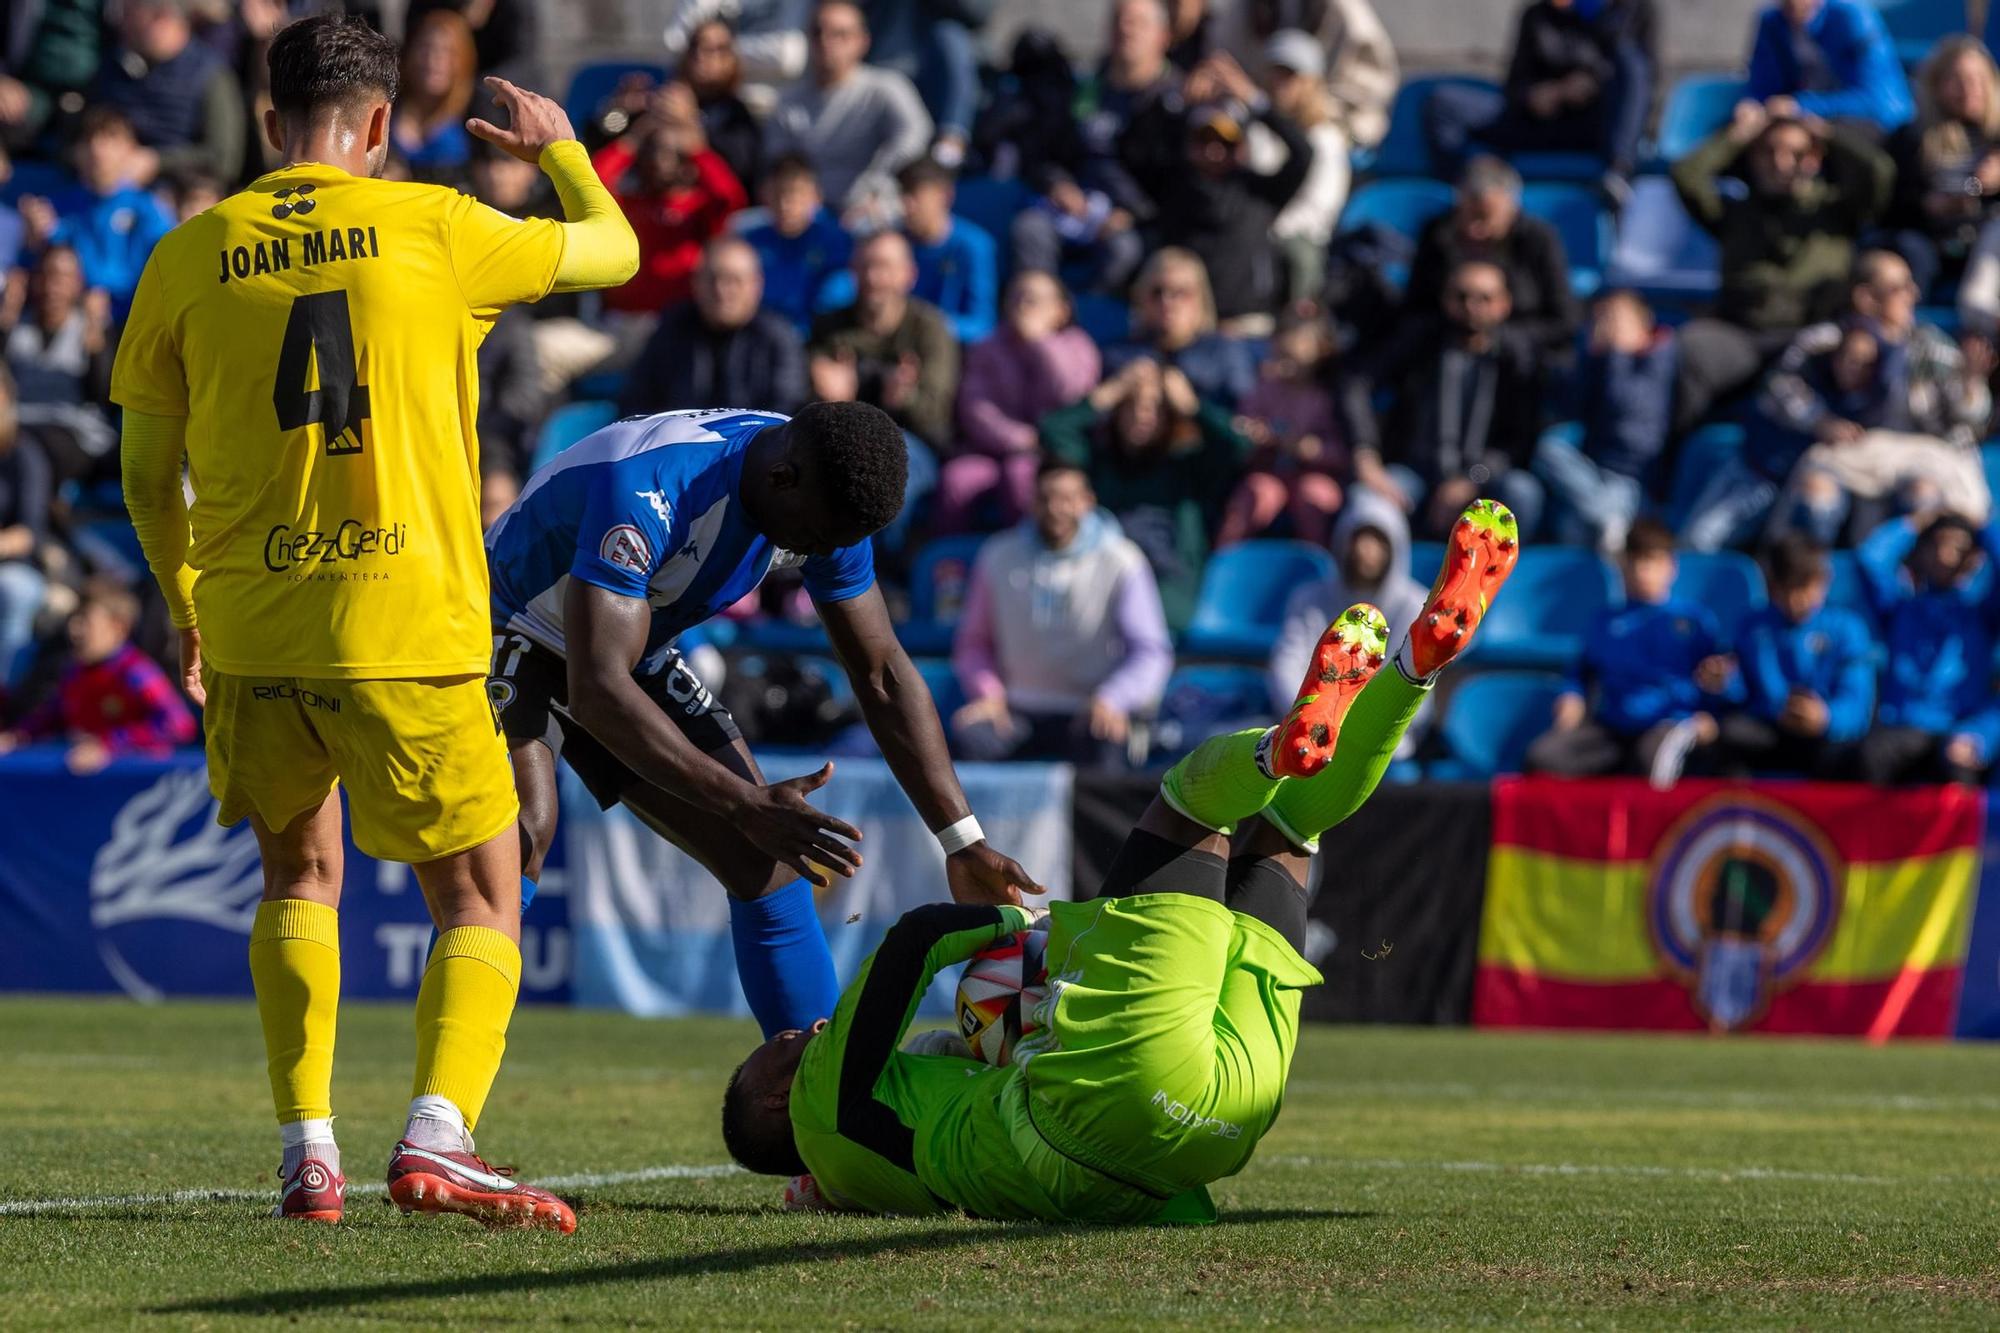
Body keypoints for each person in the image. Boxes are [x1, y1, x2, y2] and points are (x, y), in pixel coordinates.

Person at [110, 15, 639, 1230]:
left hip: (250, 626)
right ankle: (439, 1135)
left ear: (263, 121)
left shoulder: (187, 254)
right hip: (404, 622)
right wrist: (561, 152)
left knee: (297, 872)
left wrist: (184, 601)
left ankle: (307, 1150)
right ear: (383, 127)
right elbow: (613, 251)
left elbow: (147, 476)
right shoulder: (435, 225)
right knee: (480, 893)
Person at [720, 502, 1522, 1224]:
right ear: (777, 1093)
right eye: (784, 1042)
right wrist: (1019, 920)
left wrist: (818, 1180)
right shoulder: (821, 1098)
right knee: (1190, 802)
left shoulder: (857, 1171)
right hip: (1088, 1098)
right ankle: (1283, 742)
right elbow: (911, 940)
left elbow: (887, 1161)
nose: (807, 1027)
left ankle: (1416, 665)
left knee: (1287, 839)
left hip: (1215, 1133)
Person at [484, 402, 1044, 1034]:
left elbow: (882, 673)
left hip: (627, 642)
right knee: (521, 834)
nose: (824, 553)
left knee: (769, 866)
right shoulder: (652, 487)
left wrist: (962, 840)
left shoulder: (818, 486)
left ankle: (814, 1104)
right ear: (782, 481)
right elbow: (597, 693)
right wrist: (743, 805)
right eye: (817, 539)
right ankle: (439, 1114)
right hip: (514, 621)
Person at [1710, 251, 1992, 552]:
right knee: (1817, 493)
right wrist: (1819, 420)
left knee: (1924, 495)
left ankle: (1902, 589)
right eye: (1900, 288)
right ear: (1866, 297)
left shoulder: (1931, 347)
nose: (1913, 294)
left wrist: (1971, 385)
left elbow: (1969, 423)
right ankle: (1811, 579)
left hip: (1917, 461)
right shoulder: (1826, 341)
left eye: (1911, 285)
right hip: (1847, 459)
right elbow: (1777, 387)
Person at [1670, 102, 1895, 434]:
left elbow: (1879, 172)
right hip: (1743, 336)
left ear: (1814, 158)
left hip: (1811, 340)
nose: (1780, 163)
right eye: (1768, 152)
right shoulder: (1735, 212)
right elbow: (1686, 175)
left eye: (1795, 152)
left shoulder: (1836, 211)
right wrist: (1739, 134)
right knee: (1689, 350)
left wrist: (1824, 132)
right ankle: (1674, 466)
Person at [950, 459, 1173, 768]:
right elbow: (973, 643)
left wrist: (1114, 698)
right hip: (1016, 708)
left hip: (1088, 710)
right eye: (1046, 498)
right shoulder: (997, 555)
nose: (1056, 508)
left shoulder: (1123, 560)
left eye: (1067, 498)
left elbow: (1151, 652)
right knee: (970, 738)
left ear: (1087, 502)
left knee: (1107, 743)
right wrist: (987, 693)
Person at [1039, 356, 1251, 629]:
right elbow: (1053, 430)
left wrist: (1193, 407)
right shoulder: (1099, 463)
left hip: (1166, 586)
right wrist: (1109, 393)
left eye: (1155, 408)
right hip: (1102, 578)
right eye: (1131, 406)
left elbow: (1238, 446)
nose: (1141, 415)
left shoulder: (1189, 466)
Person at [1342, 259, 1546, 541]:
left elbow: (1519, 439)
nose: (1472, 307)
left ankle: (1504, 581)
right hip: (1416, 472)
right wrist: (1366, 455)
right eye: (1462, 296)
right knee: (1368, 504)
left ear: (1504, 304)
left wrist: (1472, 478)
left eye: (1485, 298)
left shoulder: (1518, 360)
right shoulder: (1421, 342)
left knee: (1522, 493)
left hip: (1486, 478)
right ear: (1446, 300)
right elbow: (1357, 382)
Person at [1524, 520, 1735, 785]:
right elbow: (1582, 670)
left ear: (1671, 567)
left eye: (1651, 562)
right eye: (1634, 562)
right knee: (1544, 758)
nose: (1641, 571)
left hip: (1668, 724)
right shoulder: (1605, 621)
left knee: (1654, 761)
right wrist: (1572, 696)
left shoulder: (1694, 621)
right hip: (1613, 728)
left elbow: (1717, 678)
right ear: (1622, 566)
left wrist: (1712, 714)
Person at [1008, 0, 1179, 296]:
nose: (1125, 29)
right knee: (1030, 229)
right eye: (1119, 20)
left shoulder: (1174, 102)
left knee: (1124, 249)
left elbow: (1179, 183)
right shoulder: (1084, 90)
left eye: (1137, 23)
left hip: (1132, 219)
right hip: (1075, 209)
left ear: (1162, 36)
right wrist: (1057, 183)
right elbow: (1043, 151)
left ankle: (1085, 325)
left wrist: (1134, 215)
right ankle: (1040, 313)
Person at [808, 230, 958, 549]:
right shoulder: (830, 325)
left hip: (913, 441)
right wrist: (832, 400)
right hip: (841, 435)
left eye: (885, 267)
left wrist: (905, 398)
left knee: (881, 479)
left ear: (909, 274)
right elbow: (809, 395)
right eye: (865, 266)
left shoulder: (930, 327)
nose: (874, 277)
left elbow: (937, 412)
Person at [1266, 486, 1427, 761]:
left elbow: (1415, 687)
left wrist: (1363, 729)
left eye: (1377, 541)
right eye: (1358, 538)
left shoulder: (1415, 605)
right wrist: (1313, 718)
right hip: (1309, 732)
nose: (1365, 550)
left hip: (1382, 742)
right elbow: (1286, 665)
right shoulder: (1309, 598)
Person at [1154, 51, 1314, 327]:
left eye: (1226, 143)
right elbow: (1141, 149)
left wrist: (1254, 100)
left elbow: (1302, 153)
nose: (1214, 151)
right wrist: (1180, 100)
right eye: (1204, 140)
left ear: (1242, 147)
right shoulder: (1173, 185)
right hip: (1187, 327)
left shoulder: (1260, 192)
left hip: (1249, 326)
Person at [1425, 0, 1657, 187]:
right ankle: (1467, 192)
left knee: (1632, 64)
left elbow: (1643, 82)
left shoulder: (1636, 10)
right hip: (1539, 123)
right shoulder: (1537, 15)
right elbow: (1514, 85)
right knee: (1444, 102)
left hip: (1599, 127)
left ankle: (1617, 175)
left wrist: (1594, 83)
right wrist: (1538, 95)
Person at [943, 270, 1101, 534]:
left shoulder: (1079, 346)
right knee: (956, 480)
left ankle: (1025, 556)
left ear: (1061, 310)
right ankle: (947, 566)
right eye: (1016, 298)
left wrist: (1040, 343)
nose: (1023, 306)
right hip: (992, 451)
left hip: (1054, 456)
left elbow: (1072, 397)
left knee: (1021, 476)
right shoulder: (987, 347)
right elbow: (975, 407)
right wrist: (1020, 439)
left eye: (1033, 300)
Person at [1851, 510, 2000, 785]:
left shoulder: (1983, 614)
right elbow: (1869, 560)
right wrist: (1914, 523)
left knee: (1961, 771)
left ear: (1975, 558)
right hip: (1902, 728)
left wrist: (1984, 527)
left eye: (1958, 547)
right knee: (1867, 756)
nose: (1946, 554)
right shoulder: (1900, 608)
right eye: (1937, 544)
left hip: (1959, 730)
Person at [1713, 535, 1873, 778]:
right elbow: (1742, 693)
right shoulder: (1753, 626)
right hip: (1770, 730)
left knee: (1853, 757)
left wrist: (1825, 717)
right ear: (1772, 586)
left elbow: (1857, 705)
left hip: (1824, 736)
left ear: (1824, 582)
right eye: (1785, 589)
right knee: (1728, 735)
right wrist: (1723, 681)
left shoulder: (1848, 629)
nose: (1796, 600)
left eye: (1804, 588)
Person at [0, 578, 196, 773]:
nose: (74, 630)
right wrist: (17, 737)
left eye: (85, 620)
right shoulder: (74, 674)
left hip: (134, 789)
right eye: (73, 620)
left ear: (118, 627)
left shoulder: (134, 672)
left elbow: (179, 725)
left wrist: (109, 744)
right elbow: (52, 717)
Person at [764, 0, 932, 227]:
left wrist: (876, 183)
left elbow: (916, 133)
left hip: (871, 209)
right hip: (806, 215)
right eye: (818, 33)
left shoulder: (886, 88)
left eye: (839, 34)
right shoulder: (787, 102)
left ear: (862, 41)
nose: (826, 42)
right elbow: (780, 164)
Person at [1533, 288, 1675, 553]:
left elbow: (1624, 405)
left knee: (1578, 528)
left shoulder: (1658, 360)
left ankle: (1608, 520)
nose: (1605, 328)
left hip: (1631, 478)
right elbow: (1569, 408)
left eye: (1613, 319)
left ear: (1643, 327)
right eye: (1598, 320)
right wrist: (1588, 358)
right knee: (1548, 450)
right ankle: (1607, 516)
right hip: (1592, 472)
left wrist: (1615, 354)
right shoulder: (1600, 364)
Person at [1405, 156, 1579, 362]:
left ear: (1510, 209)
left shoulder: (1538, 239)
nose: (1475, 229)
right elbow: (1414, 308)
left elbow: (1564, 320)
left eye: (1486, 217)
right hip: (1444, 349)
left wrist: (1501, 338)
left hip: (1521, 354)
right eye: (1467, 216)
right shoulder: (1438, 234)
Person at [590, 101, 747, 318]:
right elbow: (591, 183)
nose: (660, 161)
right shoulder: (628, 205)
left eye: (671, 154)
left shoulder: (698, 207)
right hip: (624, 319)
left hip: (682, 321)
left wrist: (697, 148)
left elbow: (730, 197)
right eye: (653, 152)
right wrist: (632, 141)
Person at [621, 238, 807, 418]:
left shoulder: (778, 338)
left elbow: (786, 409)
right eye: (712, 279)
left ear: (755, 284)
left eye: (734, 280)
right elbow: (637, 402)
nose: (722, 291)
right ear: (695, 283)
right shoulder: (671, 329)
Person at [20, 107, 175, 317]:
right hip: (73, 318)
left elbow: (167, 264)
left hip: (134, 319)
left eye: (111, 139)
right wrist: (32, 242)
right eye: (90, 139)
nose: (98, 149)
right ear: (76, 151)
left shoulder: (148, 207)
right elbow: (36, 270)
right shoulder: (57, 207)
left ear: (131, 149)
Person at [1881, 37, 2000, 298]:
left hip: (1986, 241)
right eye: (1956, 80)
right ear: (1936, 85)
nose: (1969, 89)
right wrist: (1927, 205)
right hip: (1932, 240)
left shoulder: (1995, 138)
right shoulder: (1911, 138)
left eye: (1977, 79)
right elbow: (1890, 204)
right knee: (1908, 251)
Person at [1216, 310, 1344, 548]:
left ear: (1321, 350)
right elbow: (1241, 425)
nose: (1286, 362)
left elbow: (1343, 450)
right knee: (1254, 494)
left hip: (1315, 475)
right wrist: (1254, 434)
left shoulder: (1328, 397)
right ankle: (1223, 561)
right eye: (1281, 354)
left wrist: (1310, 449)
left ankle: (1324, 568)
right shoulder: (1265, 389)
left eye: (1294, 355)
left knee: (1313, 497)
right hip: (1271, 473)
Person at [94, 0, 246, 184]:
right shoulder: (115, 67)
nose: (121, 23)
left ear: (162, 17)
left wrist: (157, 162)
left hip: (183, 198)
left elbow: (224, 159)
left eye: (130, 13)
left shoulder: (211, 75)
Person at [1252, 29, 1353, 304]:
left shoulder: (1326, 139)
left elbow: (1318, 208)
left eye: (1290, 76)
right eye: (1275, 73)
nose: (1278, 83)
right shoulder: (1257, 130)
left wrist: (1271, 228)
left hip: (1298, 239)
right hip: (1254, 233)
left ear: (1311, 82)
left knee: (1298, 255)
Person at [1110, 247, 1258, 409]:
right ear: (1141, 297)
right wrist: (1117, 388)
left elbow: (1243, 418)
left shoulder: (1224, 352)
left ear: (1201, 299)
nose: (1167, 302)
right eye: (1157, 292)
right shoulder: (1118, 356)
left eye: (1181, 292)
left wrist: (1193, 407)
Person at [1744, 0, 1914, 139]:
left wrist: (1801, 105)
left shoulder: (1852, 17)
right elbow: (1763, 86)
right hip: (1803, 120)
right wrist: (1752, 104)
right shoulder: (1771, 22)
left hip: (1876, 125)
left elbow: (1872, 99)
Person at [858, 0, 986, 164]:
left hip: (933, 67)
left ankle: (950, 147)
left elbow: (980, 13)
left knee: (952, 40)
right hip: (881, 58)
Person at [740, 151, 853, 333]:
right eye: (778, 195)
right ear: (765, 196)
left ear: (816, 197)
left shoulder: (835, 240)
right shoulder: (750, 241)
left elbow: (839, 294)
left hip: (817, 335)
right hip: (761, 335)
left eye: (796, 195)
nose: (786, 205)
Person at [896, 158, 997, 344]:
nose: (906, 205)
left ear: (945, 196)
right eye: (902, 193)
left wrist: (929, 327)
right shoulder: (893, 243)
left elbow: (982, 324)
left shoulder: (973, 246)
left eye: (915, 193)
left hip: (951, 353)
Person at [4, 244, 114, 411]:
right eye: (45, 275)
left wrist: (95, 339)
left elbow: (104, 397)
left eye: (61, 277)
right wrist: (5, 320)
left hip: (72, 427)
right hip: (22, 425)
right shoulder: (15, 324)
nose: (51, 286)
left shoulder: (90, 327)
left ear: (78, 283)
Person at [0, 366, 50, 687]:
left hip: (15, 566)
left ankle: (5, 696)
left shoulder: (24, 454)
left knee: (12, 589)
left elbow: (29, 533)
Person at [391, 8, 477, 185]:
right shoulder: (387, 107)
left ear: (463, 59)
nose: (433, 60)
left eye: (447, 52)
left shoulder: (474, 113)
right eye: (425, 48)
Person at [679, 18, 764, 191]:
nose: (701, 55)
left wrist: (689, 125)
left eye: (717, 49)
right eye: (696, 45)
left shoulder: (736, 116)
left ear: (732, 59)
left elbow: (741, 174)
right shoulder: (667, 99)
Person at [663, 0, 812, 90]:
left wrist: (720, 49)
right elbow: (675, 41)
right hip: (711, 101)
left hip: (773, 108)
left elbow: (788, 57)